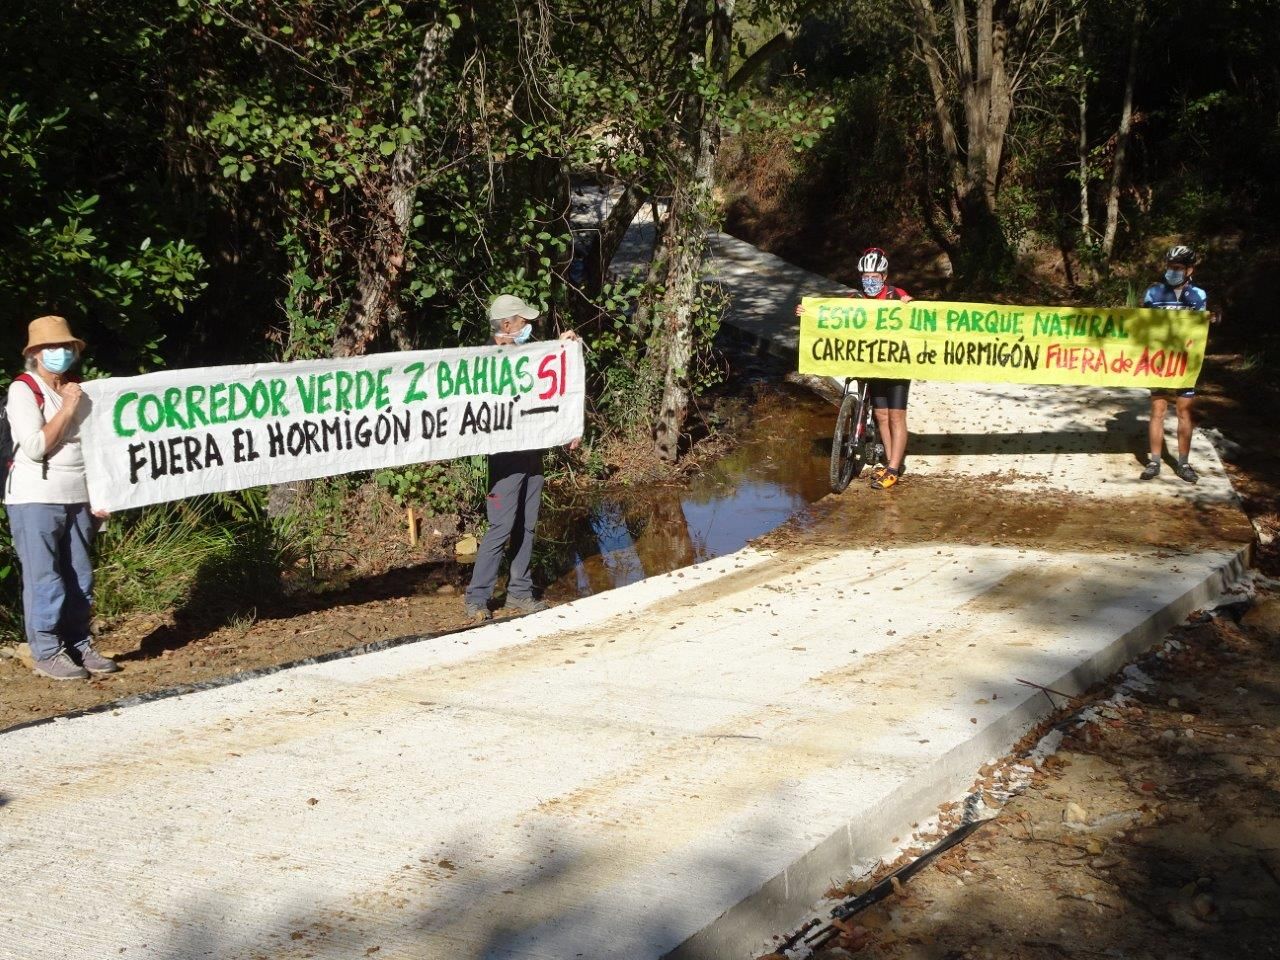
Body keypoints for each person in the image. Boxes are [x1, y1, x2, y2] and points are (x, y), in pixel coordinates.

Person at [5, 315, 117, 680]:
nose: (61, 353)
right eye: (53, 347)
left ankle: (79, 644)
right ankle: (48, 651)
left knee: (80, 575)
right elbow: (36, 447)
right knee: (45, 577)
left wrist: (102, 493)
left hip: (79, 497)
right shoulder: (24, 390)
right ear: (35, 353)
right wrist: (67, 407)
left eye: (67, 347)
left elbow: (99, 448)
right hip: (35, 497)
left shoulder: (80, 390)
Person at [464, 294, 581, 622]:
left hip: (532, 452)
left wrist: (563, 348)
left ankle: (519, 592)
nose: (529, 326)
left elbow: (551, 379)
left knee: (527, 526)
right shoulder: (483, 360)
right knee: (500, 526)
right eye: (523, 321)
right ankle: (477, 598)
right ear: (506, 325)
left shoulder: (529, 354)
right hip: (504, 457)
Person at [1139, 245, 1209, 484]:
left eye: (1177, 268)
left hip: (1184, 364)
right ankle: (1154, 461)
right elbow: (1139, 326)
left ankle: (1183, 463)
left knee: (1184, 412)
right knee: (1157, 411)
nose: (1172, 271)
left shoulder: (1198, 296)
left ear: (1190, 269)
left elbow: (1199, 332)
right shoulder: (1153, 293)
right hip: (1158, 363)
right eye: (1169, 267)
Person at [857, 247, 914, 490]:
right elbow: (830, 318)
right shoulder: (856, 300)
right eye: (865, 277)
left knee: (896, 415)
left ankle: (892, 469)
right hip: (873, 364)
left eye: (874, 277)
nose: (870, 281)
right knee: (881, 415)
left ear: (884, 277)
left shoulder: (895, 295)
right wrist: (807, 314)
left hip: (898, 365)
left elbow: (918, 318)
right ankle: (892, 463)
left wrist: (909, 305)